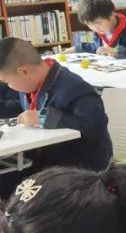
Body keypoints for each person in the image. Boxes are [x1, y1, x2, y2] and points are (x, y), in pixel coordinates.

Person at [0, 38, 112, 173]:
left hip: (80, 168)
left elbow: (95, 124)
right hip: (43, 159)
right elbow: (22, 108)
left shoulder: (73, 87)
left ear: (24, 71)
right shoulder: (31, 84)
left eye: (6, 81)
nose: (8, 86)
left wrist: (43, 117)